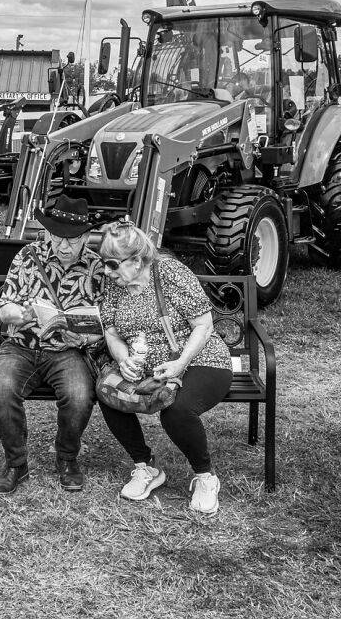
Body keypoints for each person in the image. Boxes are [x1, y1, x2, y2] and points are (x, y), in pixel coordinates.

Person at [97, 221, 233, 516]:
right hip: (147, 366)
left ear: (136, 260)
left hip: (198, 358)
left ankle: (206, 477)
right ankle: (145, 467)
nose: (106, 271)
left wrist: (180, 364)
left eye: (111, 264)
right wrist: (124, 361)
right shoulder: (113, 284)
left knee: (177, 411)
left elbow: (203, 325)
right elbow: (111, 332)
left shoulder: (169, 271)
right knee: (108, 392)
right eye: (103, 263)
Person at [0, 195, 105, 497]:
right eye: (57, 237)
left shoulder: (97, 267)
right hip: (21, 346)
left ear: (87, 237)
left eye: (72, 239)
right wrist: (20, 315)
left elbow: (106, 324)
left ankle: (67, 457)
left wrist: (84, 338)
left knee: (79, 394)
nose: (63, 246)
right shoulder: (28, 255)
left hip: (67, 352)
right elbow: (5, 309)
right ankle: (16, 463)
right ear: (48, 232)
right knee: (1, 388)